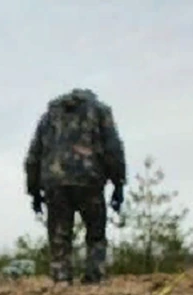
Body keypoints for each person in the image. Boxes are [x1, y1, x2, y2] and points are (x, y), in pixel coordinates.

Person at [23, 88, 127, 284]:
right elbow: (113, 149)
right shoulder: (99, 112)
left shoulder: (48, 117)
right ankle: (95, 278)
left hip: (55, 182)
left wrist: (34, 191)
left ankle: (61, 281)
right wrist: (118, 183)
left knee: (59, 236)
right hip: (90, 179)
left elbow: (33, 156)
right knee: (95, 233)